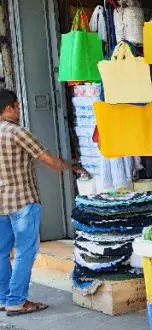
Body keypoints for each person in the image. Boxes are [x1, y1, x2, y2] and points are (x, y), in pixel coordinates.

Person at [0, 90, 84, 316]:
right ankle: (16, 300)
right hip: (22, 200)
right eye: (17, 105)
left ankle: (3, 297)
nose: (19, 110)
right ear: (9, 108)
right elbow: (46, 159)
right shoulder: (17, 132)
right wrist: (72, 167)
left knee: (2, 251)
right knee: (25, 251)